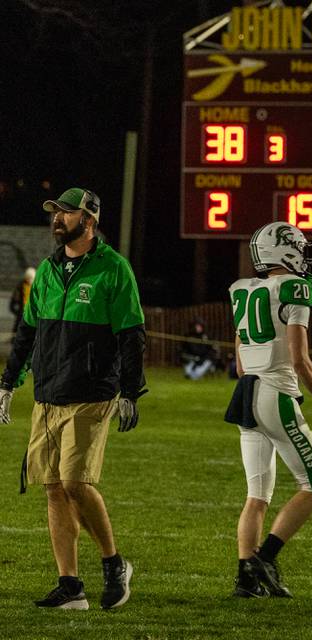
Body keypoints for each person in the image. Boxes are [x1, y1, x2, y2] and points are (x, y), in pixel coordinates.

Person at [0, 187, 146, 610]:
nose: (57, 219)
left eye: (66, 212)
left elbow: (131, 334)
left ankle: (114, 563)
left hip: (90, 393)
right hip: (48, 393)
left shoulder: (114, 269)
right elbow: (29, 332)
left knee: (74, 482)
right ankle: (70, 586)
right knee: (52, 488)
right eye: (56, 213)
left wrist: (131, 391)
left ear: (90, 219)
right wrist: (9, 382)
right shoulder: (46, 270)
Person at [224, 222, 312, 599]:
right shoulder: (295, 288)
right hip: (276, 395)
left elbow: (241, 362)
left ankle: (246, 578)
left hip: (246, 394)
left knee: (256, 494)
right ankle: (266, 557)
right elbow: (300, 359)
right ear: (285, 251)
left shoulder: (243, 290)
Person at [9, 267, 35, 335]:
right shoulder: (21, 285)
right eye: (29, 278)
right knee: (18, 326)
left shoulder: (36, 285)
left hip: (31, 311)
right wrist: (16, 311)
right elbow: (14, 299)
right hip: (23, 311)